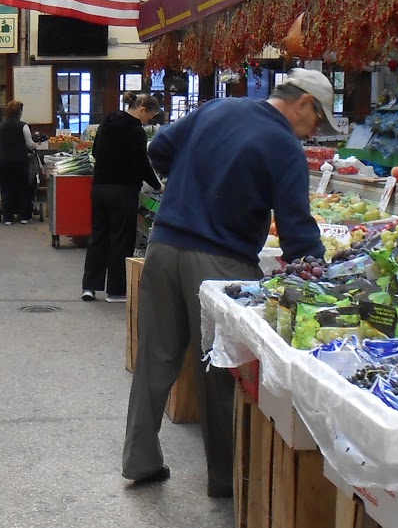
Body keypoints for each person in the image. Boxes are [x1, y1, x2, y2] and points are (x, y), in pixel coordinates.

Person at [122, 68, 330, 496]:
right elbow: (295, 227)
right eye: (318, 121)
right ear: (304, 103)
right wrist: (316, 268)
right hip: (220, 262)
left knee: (155, 357)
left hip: (163, 247)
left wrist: (188, 185)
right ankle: (223, 479)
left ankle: (139, 460)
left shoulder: (217, 107)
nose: (315, 131)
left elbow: (159, 147)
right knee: (217, 368)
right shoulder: (285, 145)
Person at [82, 94, 162, 302]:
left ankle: (89, 286)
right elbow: (141, 164)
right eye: (150, 116)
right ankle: (115, 291)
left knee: (98, 235)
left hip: (99, 188)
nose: (149, 121)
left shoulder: (107, 122)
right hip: (123, 190)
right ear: (142, 109)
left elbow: (96, 151)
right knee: (120, 238)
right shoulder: (135, 130)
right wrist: (157, 185)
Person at [0, 99, 36, 224]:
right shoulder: (23, 126)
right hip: (20, 161)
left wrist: (3, 149)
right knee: (22, 188)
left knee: (6, 188)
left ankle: (7, 218)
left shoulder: (0, 126)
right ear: (19, 112)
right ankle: (24, 216)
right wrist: (35, 146)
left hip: (3, 161)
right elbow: (29, 144)